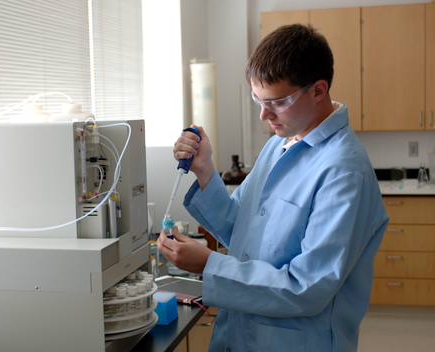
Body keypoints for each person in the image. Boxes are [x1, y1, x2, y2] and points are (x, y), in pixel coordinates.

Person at [157, 23, 389, 352]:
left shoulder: (343, 171)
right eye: (258, 99)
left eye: (277, 102)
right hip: (241, 332)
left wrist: (209, 264)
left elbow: (306, 288)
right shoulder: (279, 143)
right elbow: (241, 228)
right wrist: (205, 169)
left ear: (318, 90)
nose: (265, 114)